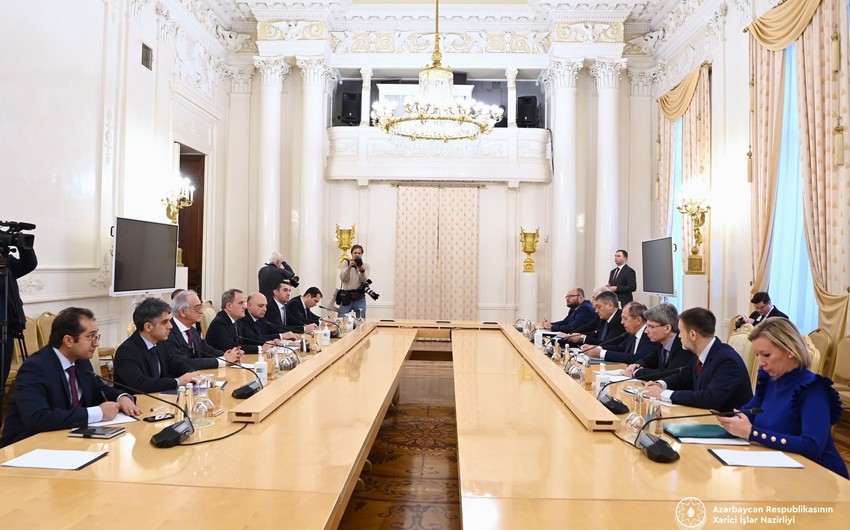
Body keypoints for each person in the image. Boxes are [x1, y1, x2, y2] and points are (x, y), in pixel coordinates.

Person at [717, 318, 848, 479]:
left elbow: (813, 446)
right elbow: (749, 412)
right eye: (757, 355)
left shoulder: (813, 389)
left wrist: (753, 433)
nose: (760, 363)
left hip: (819, 477)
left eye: (766, 355)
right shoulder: (770, 380)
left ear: (790, 350)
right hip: (781, 471)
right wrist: (730, 418)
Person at [0, 307, 141, 447]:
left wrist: (121, 397)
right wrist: (98, 413)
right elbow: (37, 418)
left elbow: (99, 390)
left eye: (96, 336)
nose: (96, 343)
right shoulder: (35, 368)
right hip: (28, 447)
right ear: (68, 340)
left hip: (67, 441)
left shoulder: (81, 362)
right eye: (90, 337)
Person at [645, 307, 753, 411]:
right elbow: (685, 377)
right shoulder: (700, 352)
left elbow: (710, 398)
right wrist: (661, 384)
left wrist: (662, 394)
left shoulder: (726, 360)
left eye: (681, 332)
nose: (679, 336)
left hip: (726, 420)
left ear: (692, 334)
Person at [114, 298, 200, 393]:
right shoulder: (126, 351)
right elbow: (140, 384)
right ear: (148, 327)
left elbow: (176, 365)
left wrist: (193, 375)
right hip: (137, 400)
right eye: (165, 322)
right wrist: (178, 382)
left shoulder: (160, 343)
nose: (170, 326)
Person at [0, 233, 37, 422]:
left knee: (2, 378)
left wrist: (24, 247)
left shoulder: (6, 260)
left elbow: (27, 265)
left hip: (7, 327)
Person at [167, 290, 243, 369]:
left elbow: (205, 349)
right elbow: (183, 362)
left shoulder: (192, 330)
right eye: (197, 308)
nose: (201, 312)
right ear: (182, 312)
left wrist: (227, 355)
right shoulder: (168, 333)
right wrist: (223, 361)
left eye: (201, 307)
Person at [624, 303, 692, 379]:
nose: (646, 331)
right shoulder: (661, 344)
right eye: (647, 326)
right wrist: (636, 365)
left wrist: (637, 372)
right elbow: (648, 360)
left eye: (651, 326)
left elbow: (668, 374)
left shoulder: (683, 346)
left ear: (667, 328)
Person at [581, 302, 654, 364]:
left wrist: (600, 353)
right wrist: (596, 348)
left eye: (625, 319)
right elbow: (620, 348)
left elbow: (635, 358)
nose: (622, 322)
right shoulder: (632, 333)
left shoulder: (650, 335)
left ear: (638, 320)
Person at [206, 289, 273, 354]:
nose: (245, 306)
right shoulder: (219, 323)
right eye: (241, 303)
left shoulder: (237, 321)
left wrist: (270, 343)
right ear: (229, 306)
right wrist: (260, 349)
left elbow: (251, 338)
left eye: (244, 302)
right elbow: (230, 347)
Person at [338, 244, 369, 319]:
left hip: (360, 297)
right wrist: (349, 267)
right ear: (351, 254)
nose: (357, 255)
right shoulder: (346, 263)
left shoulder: (365, 266)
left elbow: (365, 281)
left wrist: (362, 270)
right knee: (341, 319)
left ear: (362, 254)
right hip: (347, 297)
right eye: (355, 253)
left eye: (359, 253)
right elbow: (343, 279)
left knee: (361, 320)